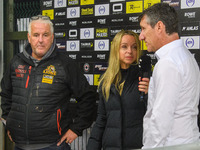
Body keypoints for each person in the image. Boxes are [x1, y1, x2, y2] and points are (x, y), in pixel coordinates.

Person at [0, 15, 97, 150]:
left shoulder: (65, 64)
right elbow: (5, 94)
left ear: (52, 37)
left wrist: (76, 129)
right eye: (36, 35)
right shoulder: (16, 62)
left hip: (53, 145)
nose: (40, 40)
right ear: (29, 38)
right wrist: (7, 123)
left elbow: (88, 97)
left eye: (45, 35)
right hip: (20, 145)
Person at [139, 3, 200, 149]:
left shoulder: (168, 62)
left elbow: (161, 119)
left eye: (143, 29)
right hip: (186, 143)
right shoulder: (185, 56)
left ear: (159, 27)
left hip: (171, 146)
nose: (141, 36)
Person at [86, 30, 150, 150]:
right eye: (124, 47)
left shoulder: (144, 79)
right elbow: (101, 120)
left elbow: (155, 115)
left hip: (138, 146)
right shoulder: (106, 80)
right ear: (116, 49)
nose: (130, 51)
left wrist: (149, 95)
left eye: (134, 47)